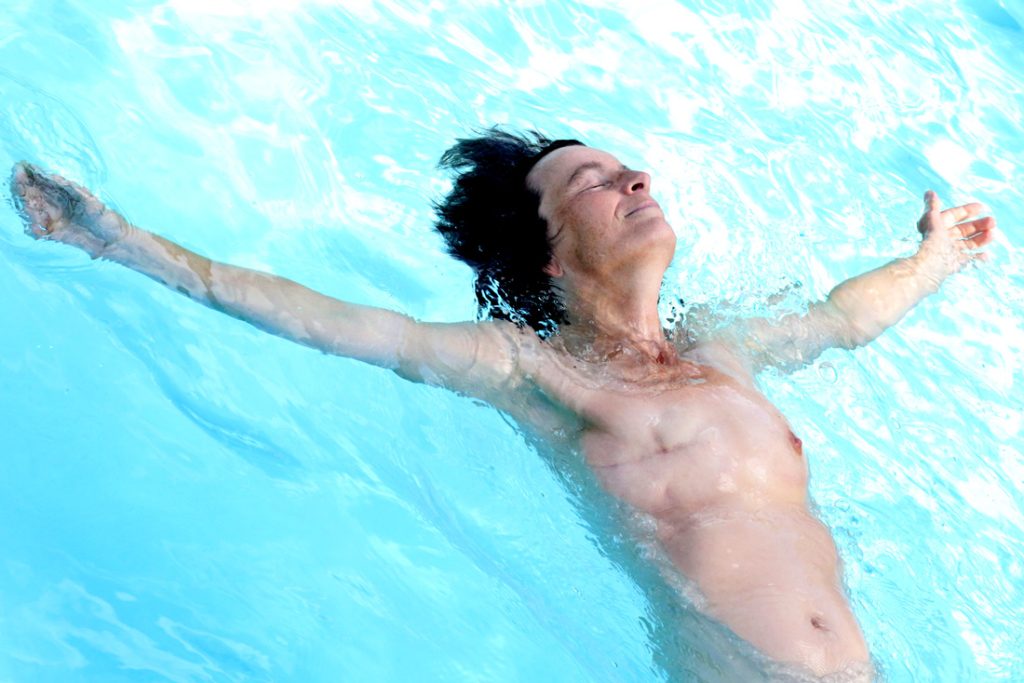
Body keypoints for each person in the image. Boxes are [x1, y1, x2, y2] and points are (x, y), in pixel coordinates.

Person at [9, 128, 996, 680]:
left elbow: (840, 317)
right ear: (555, 256)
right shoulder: (537, 373)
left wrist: (934, 256)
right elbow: (340, 322)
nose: (634, 177)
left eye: (623, 165)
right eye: (596, 181)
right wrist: (122, 243)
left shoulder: (726, 348)